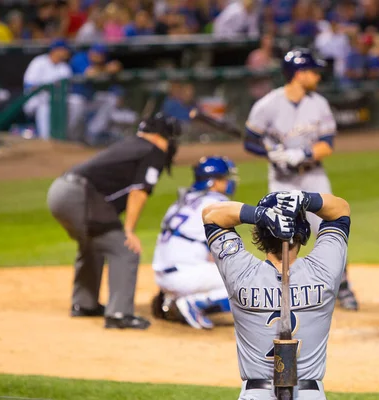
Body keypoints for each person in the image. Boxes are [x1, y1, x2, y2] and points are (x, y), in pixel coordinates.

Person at [202, 190, 350, 399]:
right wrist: (307, 199)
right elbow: (340, 211)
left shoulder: (241, 273)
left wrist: (259, 215)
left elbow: (211, 215)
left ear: (260, 234)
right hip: (310, 394)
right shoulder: (324, 270)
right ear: (304, 232)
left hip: (256, 394)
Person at [242, 47, 359, 311]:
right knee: (279, 232)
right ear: (298, 73)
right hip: (282, 181)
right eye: (312, 71)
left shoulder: (319, 104)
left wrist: (301, 153)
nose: (317, 76)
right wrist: (272, 154)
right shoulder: (267, 105)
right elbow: (250, 142)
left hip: (313, 177)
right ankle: (276, 289)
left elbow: (327, 145)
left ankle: (343, 287)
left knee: (331, 228)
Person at [46, 113, 182, 330]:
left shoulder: (132, 144)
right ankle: (119, 314)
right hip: (79, 195)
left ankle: (84, 303)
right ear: (162, 135)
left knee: (94, 244)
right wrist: (129, 230)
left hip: (59, 190)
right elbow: (139, 192)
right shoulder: (153, 150)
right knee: (125, 249)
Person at [151, 156, 239, 330]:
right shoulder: (218, 204)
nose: (228, 182)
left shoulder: (184, 200)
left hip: (163, 277)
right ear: (214, 182)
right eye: (224, 178)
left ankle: (170, 300)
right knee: (245, 280)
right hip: (183, 277)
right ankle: (195, 303)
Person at [22, 39, 82, 140]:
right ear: (57, 50)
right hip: (37, 99)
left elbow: (66, 89)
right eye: (65, 50)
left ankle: (67, 135)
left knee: (78, 102)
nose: (67, 53)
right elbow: (29, 85)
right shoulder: (39, 62)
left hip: (58, 99)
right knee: (45, 105)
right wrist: (49, 87)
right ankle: (45, 139)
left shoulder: (64, 67)